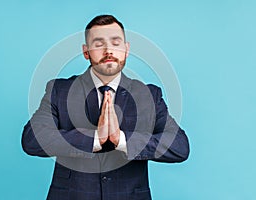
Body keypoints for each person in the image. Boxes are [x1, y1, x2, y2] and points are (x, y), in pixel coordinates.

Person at [22, 15, 190, 200]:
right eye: (98, 43)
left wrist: (122, 141)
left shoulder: (149, 96)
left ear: (126, 50)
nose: (108, 50)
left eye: (116, 43)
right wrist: (94, 138)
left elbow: (179, 147)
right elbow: (32, 139)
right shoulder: (59, 91)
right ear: (86, 52)